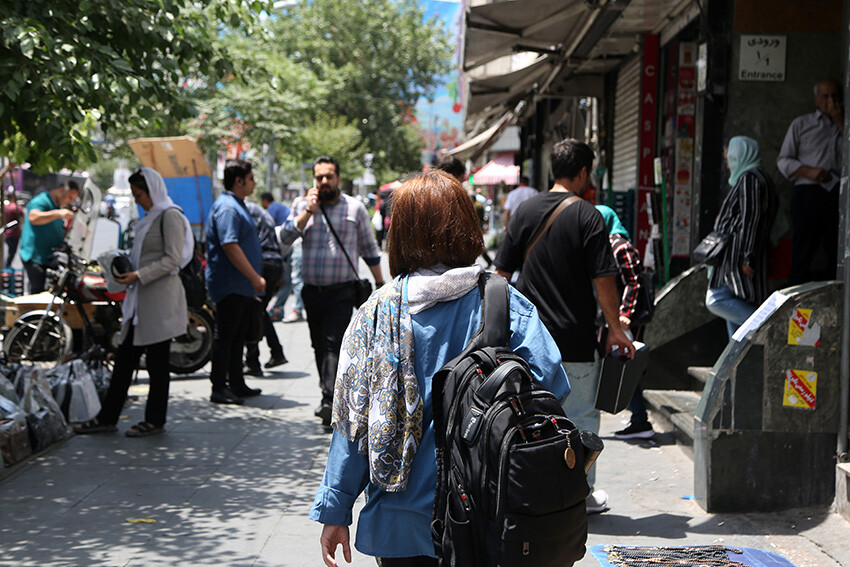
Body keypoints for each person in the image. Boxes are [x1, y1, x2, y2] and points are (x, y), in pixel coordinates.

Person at [310, 171, 569, 566]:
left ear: (401, 234)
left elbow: (353, 425)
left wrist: (335, 509)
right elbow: (553, 386)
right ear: (466, 225)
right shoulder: (502, 303)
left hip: (400, 523)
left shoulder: (376, 316)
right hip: (490, 515)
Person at [494, 138, 634, 514]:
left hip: (527, 342)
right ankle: (579, 496)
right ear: (584, 173)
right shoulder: (588, 216)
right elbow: (605, 279)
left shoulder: (523, 212)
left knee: (532, 417)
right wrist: (616, 328)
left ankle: (532, 491)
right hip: (574, 339)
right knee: (581, 418)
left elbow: (501, 276)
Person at [74, 168, 193, 437]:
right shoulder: (151, 217)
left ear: (152, 191)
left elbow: (173, 259)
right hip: (140, 302)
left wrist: (139, 274)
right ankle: (107, 417)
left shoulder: (170, 215)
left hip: (160, 302)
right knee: (125, 360)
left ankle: (154, 420)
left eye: (139, 195)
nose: (138, 200)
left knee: (157, 363)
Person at [280, 156, 384, 426]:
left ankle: (330, 400)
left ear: (338, 178)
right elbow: (284, 239)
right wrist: (307, 212)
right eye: (319, 177)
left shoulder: (355, 208)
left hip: (342, 290)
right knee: (318, 344)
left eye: (328, 176)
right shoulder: (302, 206)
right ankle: (331, 394)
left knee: (333, 343)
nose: (323, 182)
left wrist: (381, 283)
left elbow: (369, 249)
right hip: (312, 291)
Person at [206, 159, 266, 405]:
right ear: (239, 181)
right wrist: (254, 276)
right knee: (226, 336)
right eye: (251, 178)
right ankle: (219, 387)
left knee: (237, 336)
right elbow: (230, 245)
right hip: (230, 285)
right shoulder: (229, 208)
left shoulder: (237, 205)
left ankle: (236, 383)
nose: (254, 182)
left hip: (239, 286)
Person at [706, 136, 777, 339]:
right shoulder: (758, 179)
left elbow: (750, 220)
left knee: (716, 299)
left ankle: (767, 326)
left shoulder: (750, 179)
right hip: (742, 257)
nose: (729, 165)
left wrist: (748, 257)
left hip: (738, 258)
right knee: (734, 308)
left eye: (732, 159)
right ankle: (734, 365)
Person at [595, 205, 655, 440]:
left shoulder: (620, 246)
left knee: (625, 364)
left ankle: (640, 419)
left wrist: (625, 313)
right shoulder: (606, 245)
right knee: (621, 364)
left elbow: (634, 281)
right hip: (614, 319)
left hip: (623, 320)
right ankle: (638, 419)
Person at [777, 79, 843, 285]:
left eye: (834, 96)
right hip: (808, 192)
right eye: (825, 96)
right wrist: (808, 171)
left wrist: (840, 121)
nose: (830, 101)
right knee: (803, 249)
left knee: (835, 248)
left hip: (836, 193)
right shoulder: (802, 124)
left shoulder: (843, 125)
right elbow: (783, 160)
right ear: (816, 100)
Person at [244, 200, 288, 376]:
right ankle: (275, 352)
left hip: (263, 262)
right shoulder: (259, 211)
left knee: (254, 310)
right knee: (259, 310)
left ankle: (253, 361)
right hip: (274, 263)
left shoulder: (244, 209)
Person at [19, 181, 79, 293]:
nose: (70, 202)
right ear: (62, 191)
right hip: (35, 258)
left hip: (48, 258)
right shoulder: (42, 201)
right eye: (70, 197)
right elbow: (33, 217)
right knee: (39, 294)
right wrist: (59, 213)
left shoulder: (56, 205)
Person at [433, 156, 493, 268]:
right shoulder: (457, 197)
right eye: (461, 179)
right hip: (452, 261)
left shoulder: (425, 193)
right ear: (457, 177)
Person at [4, 187, 23, 267]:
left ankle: (6, 266)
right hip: (14, 233)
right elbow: (23, 219)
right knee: (12, 252)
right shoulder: (16, 207)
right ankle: (7, 266)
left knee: (9, 252)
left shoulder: (5, 207)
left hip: (6, 233)